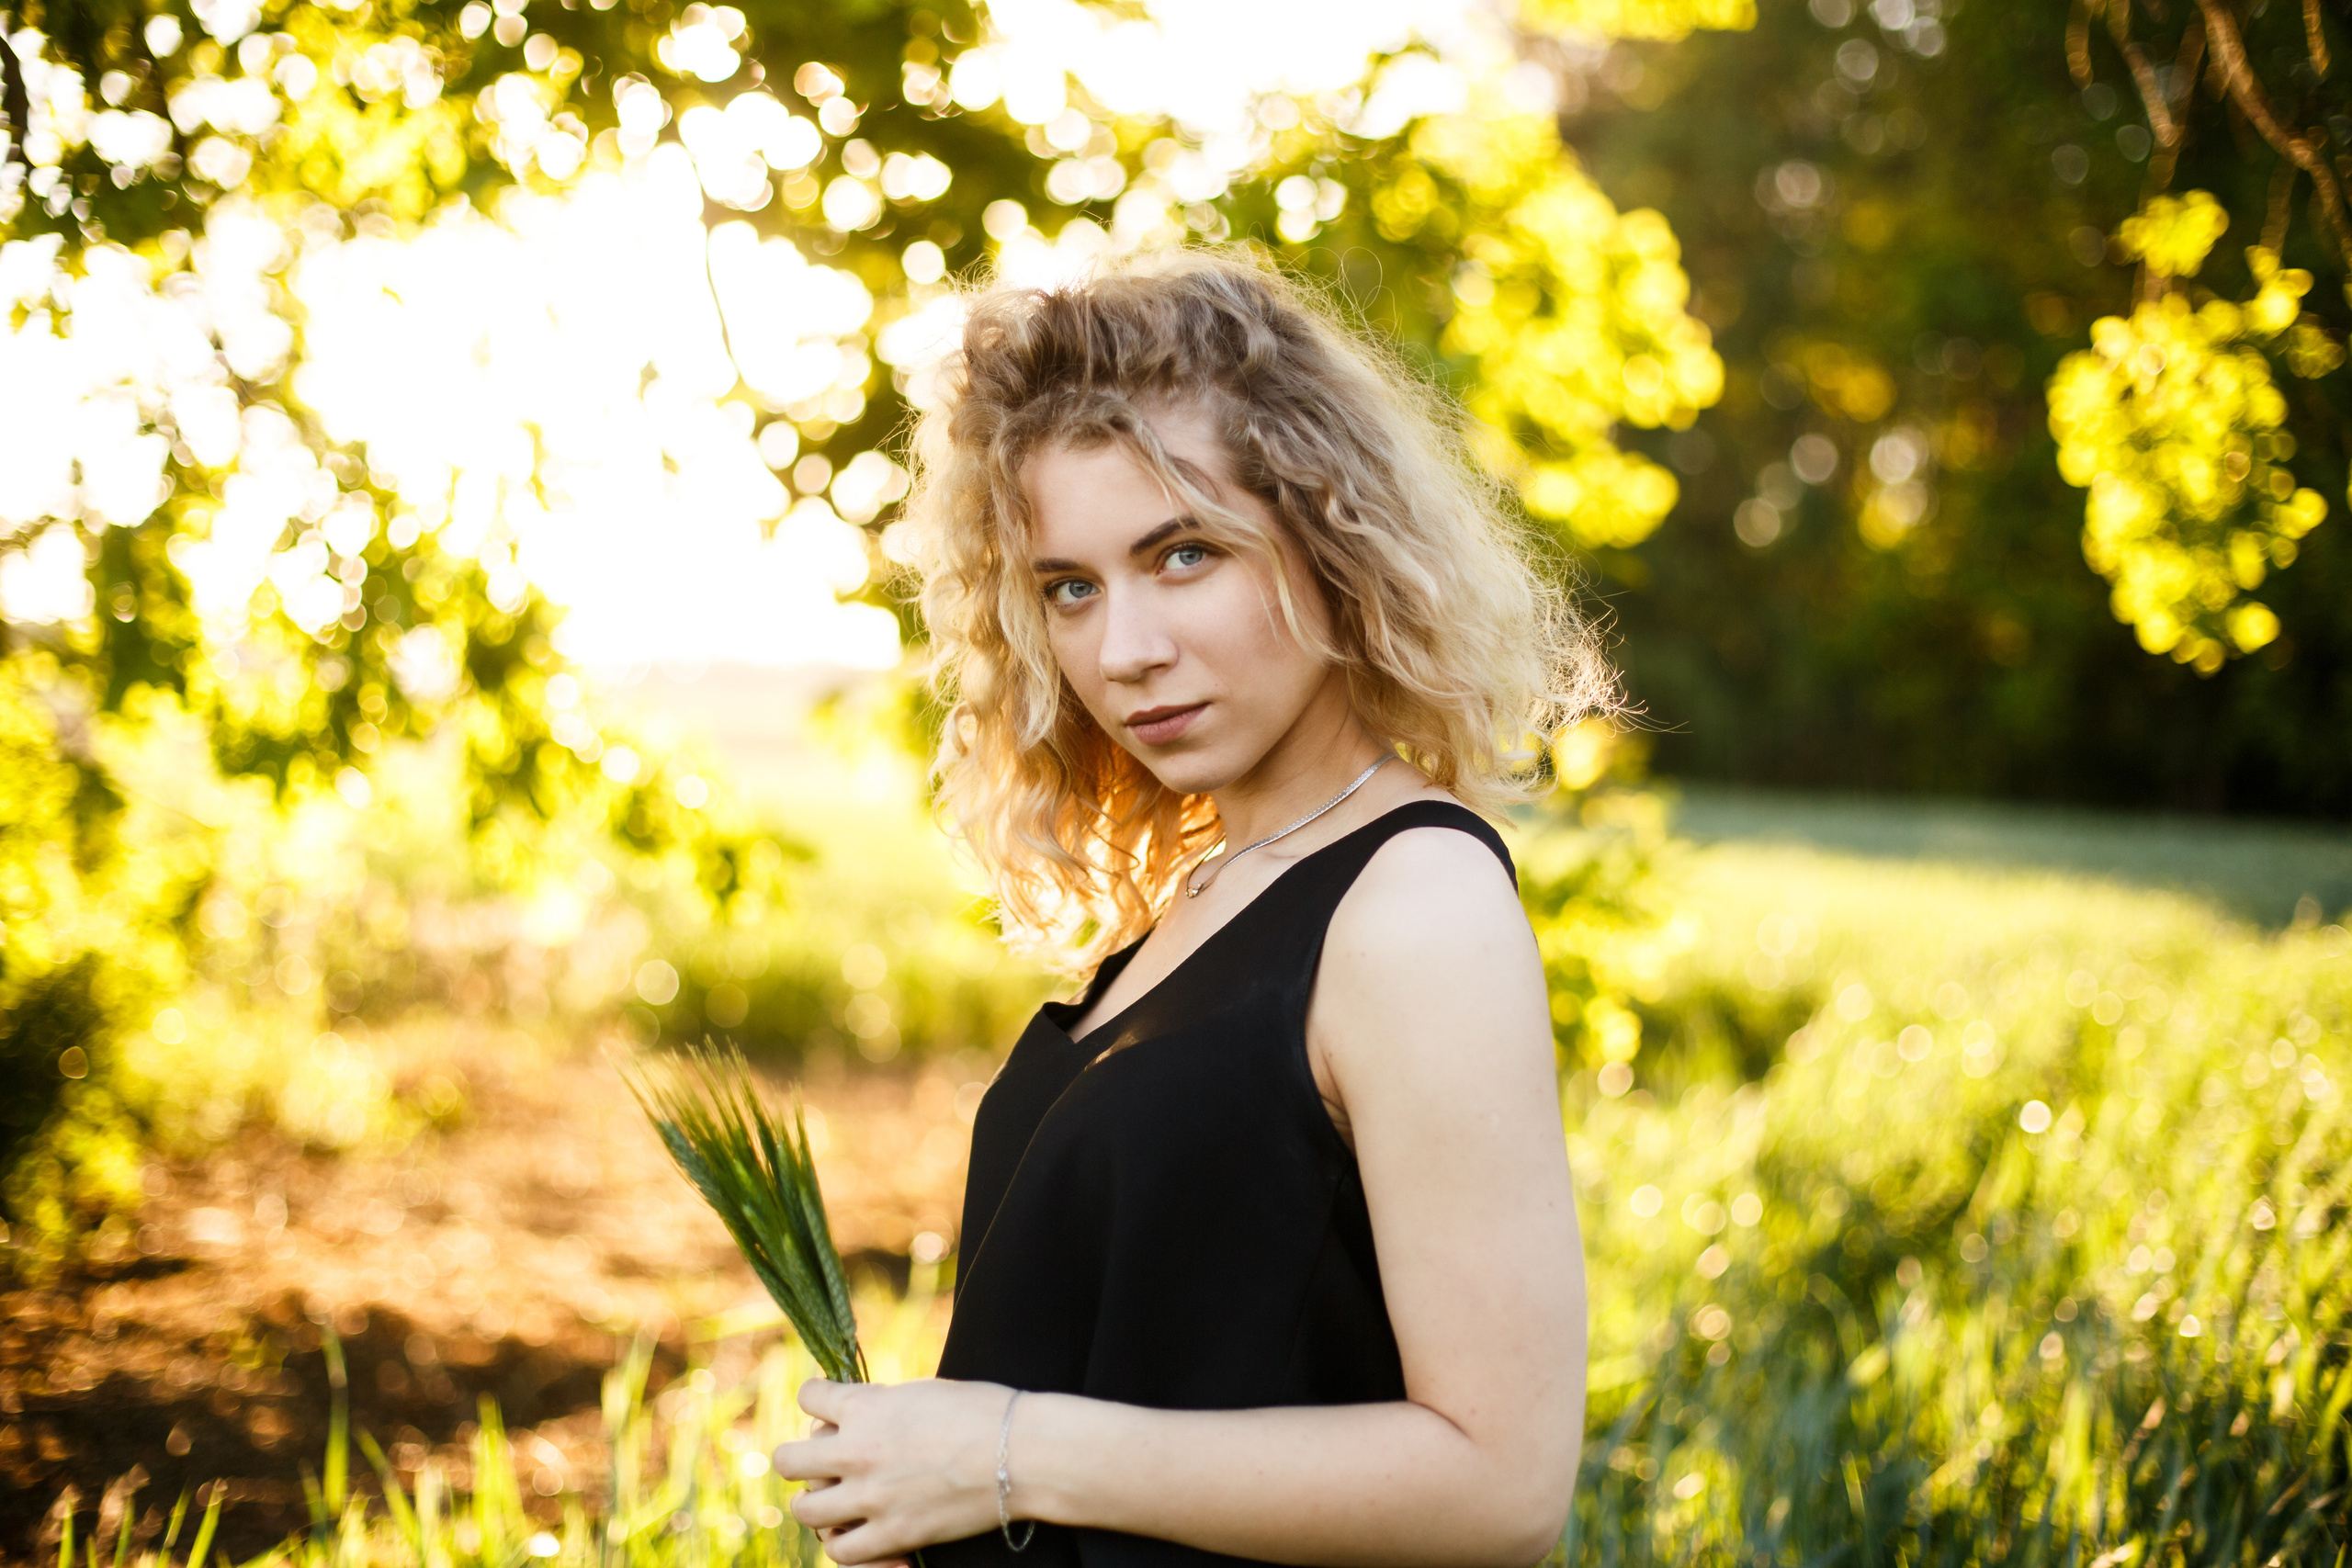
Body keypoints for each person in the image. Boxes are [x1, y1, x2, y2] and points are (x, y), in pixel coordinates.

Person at [775, 249, 1599, 1568]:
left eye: (1185, 554)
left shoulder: (1415, 902)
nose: (1123, 651)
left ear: (1334, 544)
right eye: (1070, 588)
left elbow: (1502, 1487)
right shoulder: (1206, 891)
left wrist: (1004, 1453)